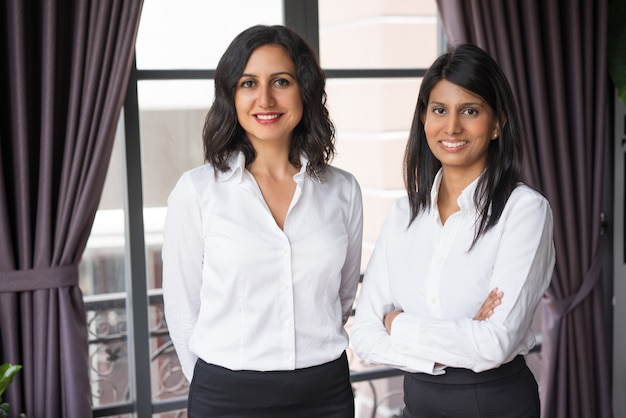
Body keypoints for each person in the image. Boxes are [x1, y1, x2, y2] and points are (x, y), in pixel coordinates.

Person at [162, 24, 363, 417]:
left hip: (324, 392)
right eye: (248, 83)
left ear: (304, 90)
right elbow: (183, 309)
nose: (265, 98)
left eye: (281, 81)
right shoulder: (197, 192)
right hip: (226, 395)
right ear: (231, 95)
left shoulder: (343, 191)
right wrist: (215, 383)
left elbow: (341, 297)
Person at [351, 43, 555, 418]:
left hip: (494, 404)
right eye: (439, 110)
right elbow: (364, 335)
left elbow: (494, 344)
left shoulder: (524, 211)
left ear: (497, 123)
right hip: (418, 401)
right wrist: (460, 338)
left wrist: (397, 323)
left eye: (471, 111)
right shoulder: (403, 214)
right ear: (424, 119)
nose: (452, 126)